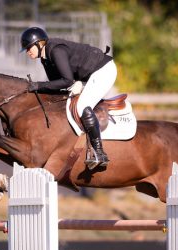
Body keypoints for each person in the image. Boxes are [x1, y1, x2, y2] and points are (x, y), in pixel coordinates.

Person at [20, 26, 116, 169]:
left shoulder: (56, 50)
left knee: (82, 106)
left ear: (39, 43)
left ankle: (99, 152)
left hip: (103, 71)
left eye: (29, 48)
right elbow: (58, 85)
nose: (27, 52)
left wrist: (38, 85)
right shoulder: (45, 59)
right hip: (88, 76)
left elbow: (67, 81)